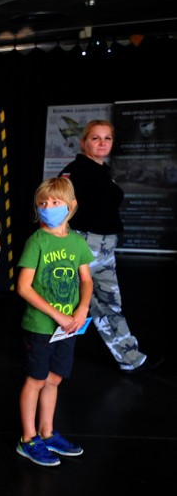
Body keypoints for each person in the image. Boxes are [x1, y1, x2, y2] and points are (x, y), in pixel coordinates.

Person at [58, 120, 162, 373]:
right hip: (84, 245)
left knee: (108, 302)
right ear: (84, 142)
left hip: (104, 248)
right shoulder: (76, 171)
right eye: (95, 138)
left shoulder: (101, 171)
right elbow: (59, 208)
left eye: (107, 138)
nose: (102, 143)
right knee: (66, 300)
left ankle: (130, 358)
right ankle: (45, 357)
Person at [15, 177, 94, 467]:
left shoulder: (77, 242)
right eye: (42, 203)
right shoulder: (37, 241)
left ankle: (47, 433)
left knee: (55, 378)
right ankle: (28, 438)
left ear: (71, 207)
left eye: (55, 202)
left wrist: (82, 308)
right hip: (40, 327)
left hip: (68, 327)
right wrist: (58, 315)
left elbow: (86, 279)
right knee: (35, 379)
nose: (48, 207)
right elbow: (23, 287)